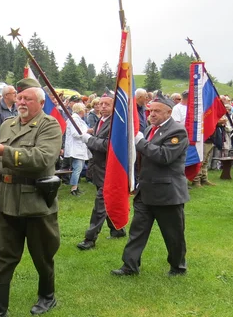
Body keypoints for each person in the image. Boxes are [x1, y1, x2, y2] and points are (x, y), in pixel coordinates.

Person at [0, 78, 63, 317]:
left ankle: (47, 297)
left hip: (36, 200)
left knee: (42, 254)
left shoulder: (49, 126)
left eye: (27, 98)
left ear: (40, 102)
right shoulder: (7, 125)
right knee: (4, 255)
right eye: (19, 98)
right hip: (7, 199)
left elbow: (42, 159)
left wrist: (3, 152)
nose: (21, 102)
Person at [111, 93, 189, 276]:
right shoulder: (148, 130)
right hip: (145, 191)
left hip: (167, 193)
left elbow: (164, 156)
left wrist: (140, 142)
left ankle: (178, 267)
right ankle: (130, 266)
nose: (152, 114)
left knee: (173, 235)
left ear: (169, 112)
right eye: (150, 110)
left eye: (157, 111)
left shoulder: (177, 131)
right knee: (137, 231)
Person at [77, 91, 126, 250]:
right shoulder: (101, 120)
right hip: (98, 168)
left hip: (110, 169)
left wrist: (90, 139)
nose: (103, 107)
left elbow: (107, 146)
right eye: (101, 104)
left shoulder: (115, 123)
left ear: (114, 106)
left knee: (100, 205)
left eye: (107, 104)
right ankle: (117, 230)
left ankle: (89, 239)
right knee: (106, 202)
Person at [64, 102, 89, 196]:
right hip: (75, 148)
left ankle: (76, 187)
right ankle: (73, 189)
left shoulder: (78, 119)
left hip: (79, 148)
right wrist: (87, 131)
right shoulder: (74, 119)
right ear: (81, 110)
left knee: (79, 168)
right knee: (77, 168)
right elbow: (75, 133)